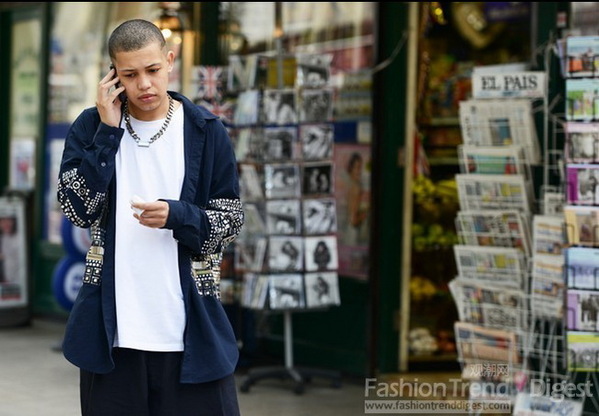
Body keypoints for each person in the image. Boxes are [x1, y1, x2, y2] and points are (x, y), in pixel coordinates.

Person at [56, 19, 244, 416]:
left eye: (152, 70)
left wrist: (180, 216)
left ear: (169, 61)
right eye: (130, 74)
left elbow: (230, 220)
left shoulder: (206, 131)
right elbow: (76, 209)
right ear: (113, 75)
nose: (143, 84)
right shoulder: (91, 128)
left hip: (190, 333)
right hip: (114, 338)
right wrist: (108, 135)